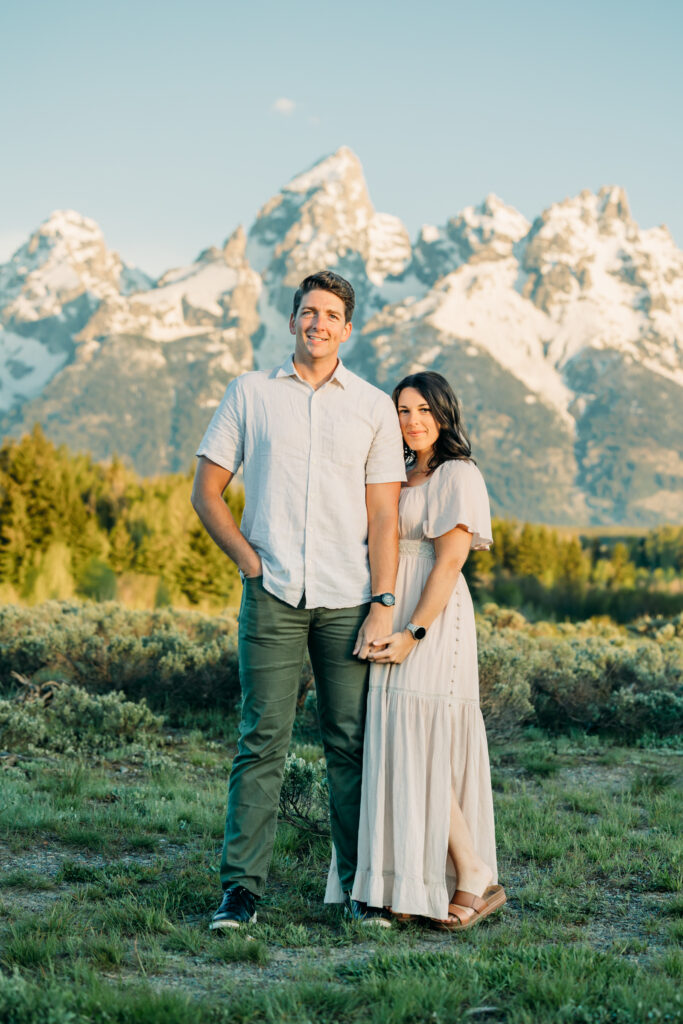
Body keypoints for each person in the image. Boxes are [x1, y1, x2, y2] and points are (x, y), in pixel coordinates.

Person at [191, 270, 406, 929]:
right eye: (307, 312)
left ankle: (360, 889)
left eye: (331, 314)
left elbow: (383, 519)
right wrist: (250, 562)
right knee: (262, 743)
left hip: (348, 598)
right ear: (290, 322)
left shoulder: (371, 406)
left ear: (348, 329)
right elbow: (206, 492)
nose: (317, 323)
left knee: (349, 743)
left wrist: (384, 599)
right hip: (274, 595)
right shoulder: (250, 393)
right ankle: (241, 892)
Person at [345, 370, 506, 930]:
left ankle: (474, 874)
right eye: (402, 410)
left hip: (432, 619)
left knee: (422, 745)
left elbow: (451, 561)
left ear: (444, 414)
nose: (412, 421)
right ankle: (403, 880)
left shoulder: (458, 474)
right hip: (390, 610)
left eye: (423, 410)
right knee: (396, 745)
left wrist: (414, 633)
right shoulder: (396, 474)